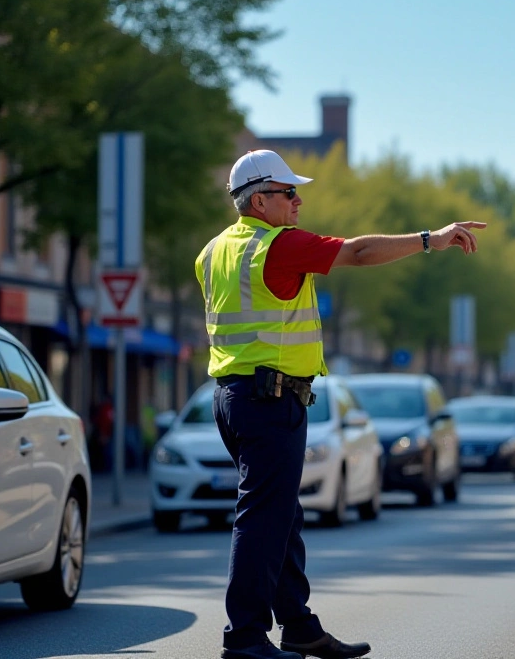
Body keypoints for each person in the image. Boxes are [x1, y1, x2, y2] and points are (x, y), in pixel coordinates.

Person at [196, 149, 484, 659]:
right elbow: (357, 252)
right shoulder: (276, 246)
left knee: (279, 514)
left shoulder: (213, 251)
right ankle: (244, 638)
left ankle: (300, 627)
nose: (297, 200)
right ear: (259, 200)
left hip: (233, 397)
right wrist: (430, 240)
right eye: (288, 193)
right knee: (263, 516)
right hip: (270, 397)